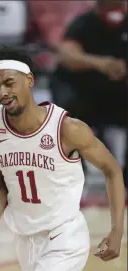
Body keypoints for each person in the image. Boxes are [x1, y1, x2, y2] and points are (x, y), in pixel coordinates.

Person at [0, 46, 126, 271]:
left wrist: (117, 231)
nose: (3, 93)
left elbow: (112, 170)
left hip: (64, 234)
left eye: (9, 83)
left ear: (29, 79)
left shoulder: (67, 128)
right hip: (24, 237)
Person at [54, 0, 127, 184]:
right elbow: (68, 55)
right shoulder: (83, 24)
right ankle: (72, 171)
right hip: (84, 93)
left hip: (119, 95)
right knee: (67, 113)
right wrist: (100, 63)